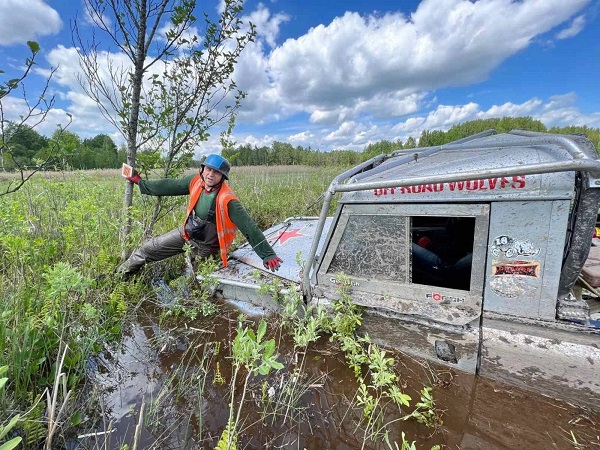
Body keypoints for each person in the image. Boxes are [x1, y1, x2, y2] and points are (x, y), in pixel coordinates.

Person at [117, 154, 282, 276]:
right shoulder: (196, 180)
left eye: (216, 172)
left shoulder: (227, 200)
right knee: (147, 249)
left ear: (222, 177)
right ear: (202, 169)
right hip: (186, 234)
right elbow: (169, 186)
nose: (211, 174)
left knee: (200, 279)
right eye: (208, 169)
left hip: (206, 247)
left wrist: (267, 255)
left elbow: (249, 228)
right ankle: (120, 275)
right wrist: (140, 182)